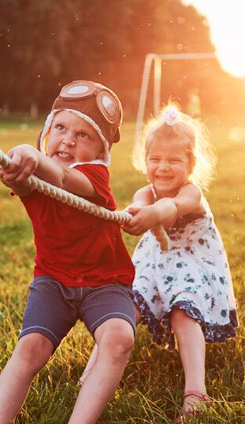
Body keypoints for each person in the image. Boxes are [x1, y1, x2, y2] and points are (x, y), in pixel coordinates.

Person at [0, 80, 136, 424]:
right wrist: (14, 171)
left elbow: (65, 180)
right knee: (30, 348)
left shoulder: (94, 176)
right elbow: (20, 181)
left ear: (100, 152)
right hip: (52, 280)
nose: (68, 139)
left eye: (84, 135)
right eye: (61, 127)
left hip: (105, 284)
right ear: (47, 132)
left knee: (118, 339)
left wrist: (32, 154)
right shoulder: (36, 174)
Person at [80, 103, 238, 423]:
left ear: (190, 164)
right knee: (127, 308)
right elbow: (140, 204)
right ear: (145, 161)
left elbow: (175, 206)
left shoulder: (191, 192)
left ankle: (196, 391)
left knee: (183, 311)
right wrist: (138, 212)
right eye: (155, 159)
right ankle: (89, 375)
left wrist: (155, 213)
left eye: (174, 160)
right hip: (156, 262)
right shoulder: (145, 192)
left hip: (194, 264)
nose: (163, 168)